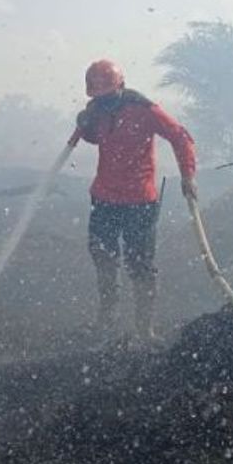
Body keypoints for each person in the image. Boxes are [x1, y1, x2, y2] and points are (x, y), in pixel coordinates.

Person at [68, 59, 196, 345]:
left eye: (108, 96)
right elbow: (96, 138)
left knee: (140, 266)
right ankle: (106, 321)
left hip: (139, 201)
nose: (103, 102)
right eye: (97, 97)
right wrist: (85, 126)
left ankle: (144, 330)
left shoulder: (144, 109)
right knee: (103, 258)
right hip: (104, 197)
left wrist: (188, 176)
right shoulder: (97, 110)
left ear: (121, 87)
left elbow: (180, 136)